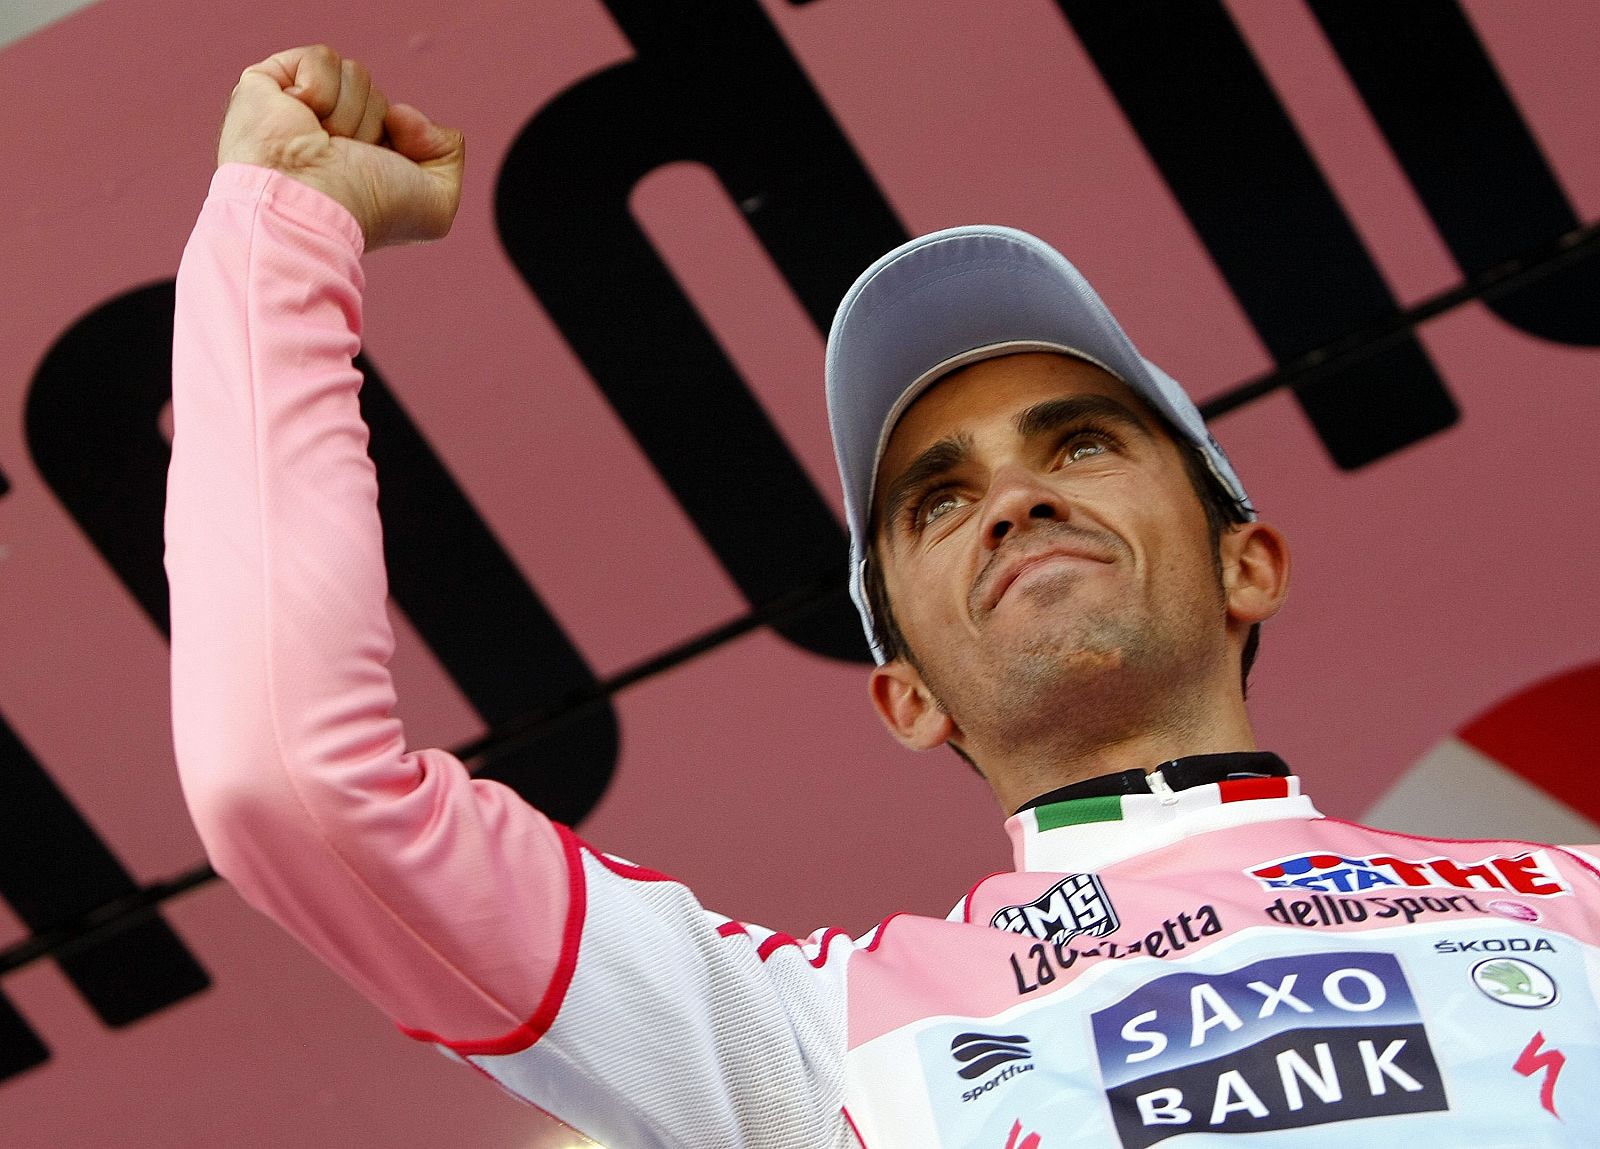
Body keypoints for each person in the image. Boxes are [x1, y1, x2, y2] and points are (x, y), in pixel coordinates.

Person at [168, 45, 1600, 1148]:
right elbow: (293, 786)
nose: (1016, 498)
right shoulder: (812, 1035)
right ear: (904, 691)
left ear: (1250, 561)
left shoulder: (1571, 903)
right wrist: (282, 235)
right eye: (937, 498)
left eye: (1081, 441)